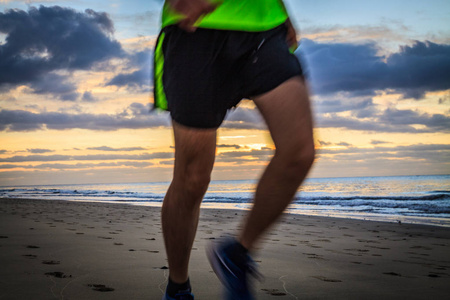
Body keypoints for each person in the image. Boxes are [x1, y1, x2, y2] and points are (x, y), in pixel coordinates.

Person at [154, 0, 315, 299]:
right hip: (197, 31)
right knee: (193, 178)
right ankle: (178, 287)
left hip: (263, 26)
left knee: (299, 152)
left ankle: (238, 254)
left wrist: (283, 10)